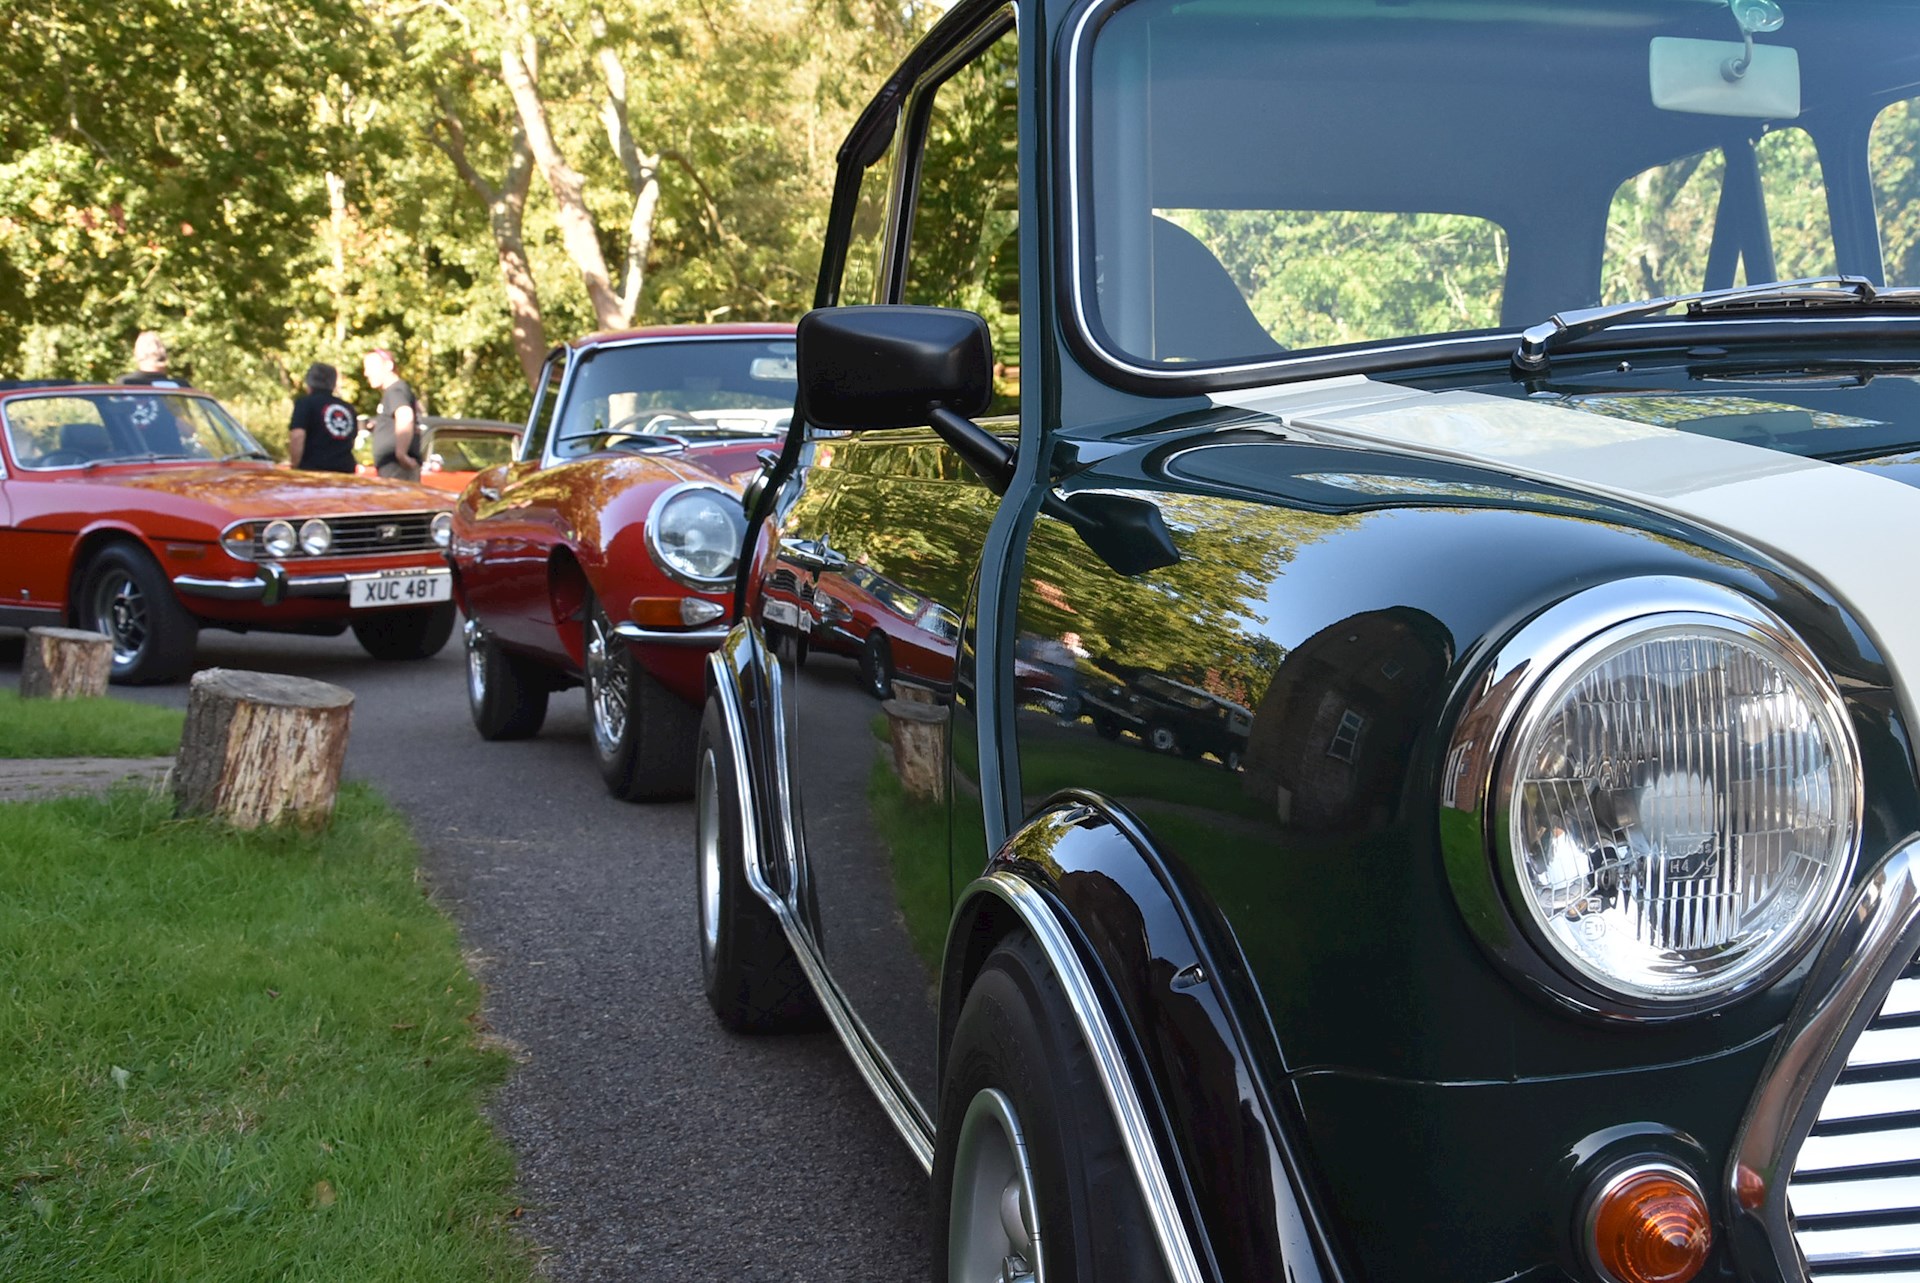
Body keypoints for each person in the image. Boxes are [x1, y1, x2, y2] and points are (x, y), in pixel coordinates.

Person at [362, 348, 424, 481]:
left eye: (371, 367)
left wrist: (401, 455)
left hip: (397, 469)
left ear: (388, 365)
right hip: (395, 468)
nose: (366, 373)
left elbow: (405, 416)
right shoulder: (398, 390)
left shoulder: (395, 390)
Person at [287, 362, 358, 473]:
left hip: (314, 470)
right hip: (345, 470)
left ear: (308, 382)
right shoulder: (347, 408)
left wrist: (295, 466)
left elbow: (297, 435)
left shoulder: (305, 404)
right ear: (333, 383)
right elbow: (351, 440)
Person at [117, 331, 185, 387]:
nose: (157, 350)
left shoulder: (181, 386)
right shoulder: (127, 383)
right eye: (150, 345)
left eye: (159, 345)